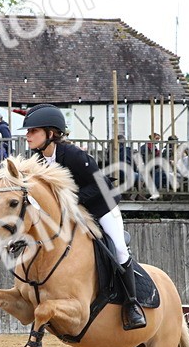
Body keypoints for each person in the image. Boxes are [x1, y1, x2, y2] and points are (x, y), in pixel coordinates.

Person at [21, 103, 146, 330]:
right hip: (70, 213)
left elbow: (102, 184)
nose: (28, 136)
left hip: (102, 208)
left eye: (33, 131)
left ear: (50, 133)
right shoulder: (38, 161)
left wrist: (72, 200)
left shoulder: (73, 155)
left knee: (118, 248)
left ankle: (132, 304)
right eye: (28, 132)